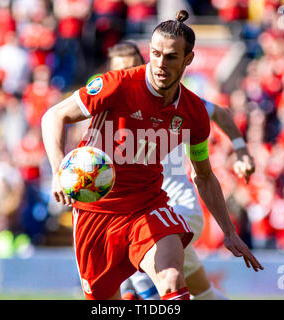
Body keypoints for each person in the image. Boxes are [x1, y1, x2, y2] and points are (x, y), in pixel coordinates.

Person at [41, 10, 263, 300]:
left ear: (188, 59)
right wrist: (60, 170)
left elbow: (204, 176)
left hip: (147, 206)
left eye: (170, 57)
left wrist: (229, 232)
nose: (160, 64)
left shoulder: (193, 113)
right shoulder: (117, 85)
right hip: (96, 211)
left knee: (172, 279)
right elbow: (53, 116)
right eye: (155, 54)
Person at [105, 41, 255, 300]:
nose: (123, 77)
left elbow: (220, 114)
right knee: (201, 292)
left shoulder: (175, 102)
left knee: (140, 265)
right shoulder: (109, 108)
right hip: (144, 213)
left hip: (178, 208)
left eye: (129, 69)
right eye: (118, 71)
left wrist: (241, 149)